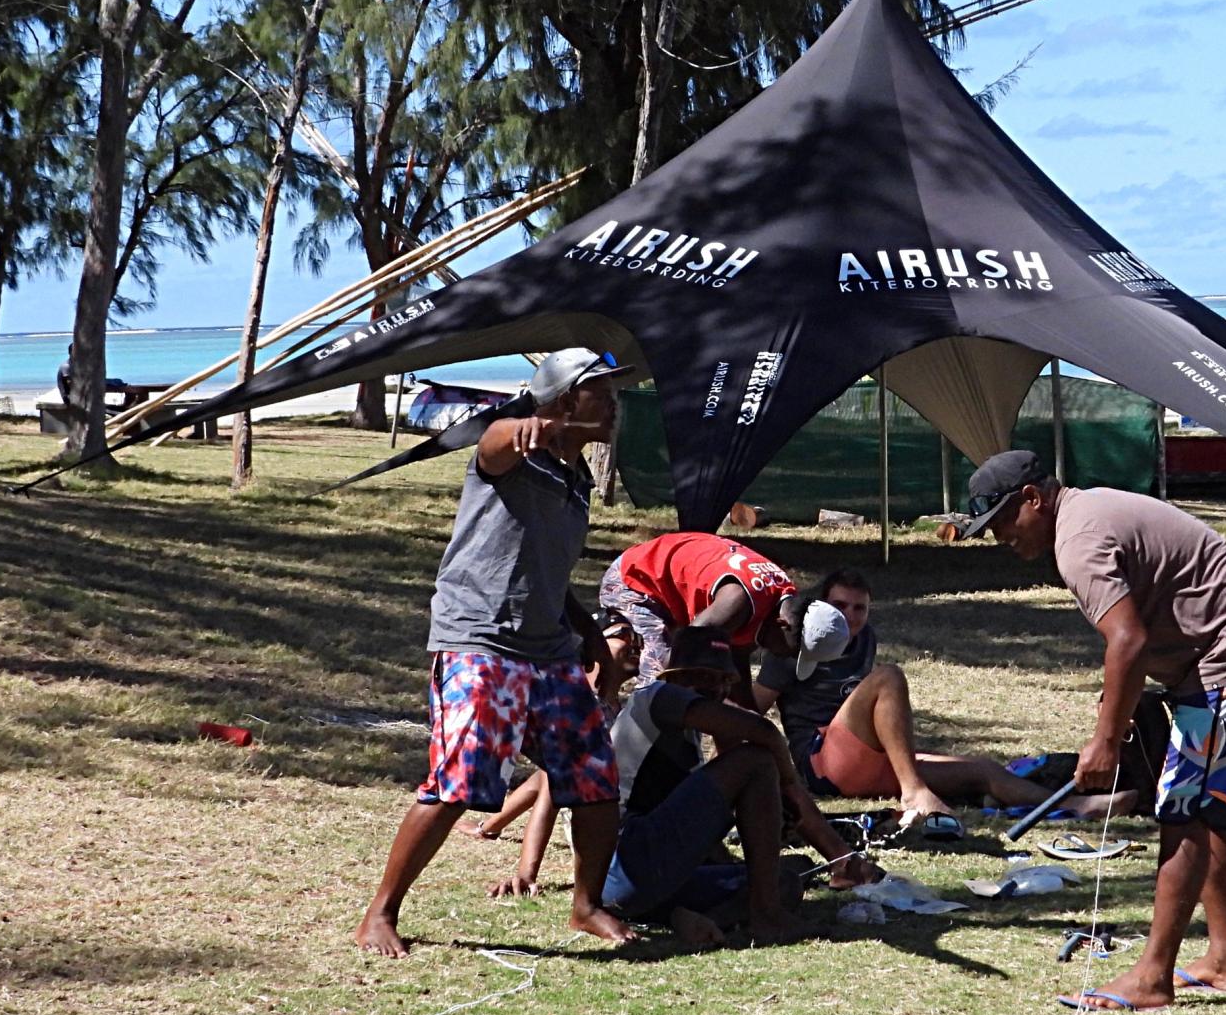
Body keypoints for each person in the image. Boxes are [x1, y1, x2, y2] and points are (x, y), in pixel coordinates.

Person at [970, 449, 1226, 1011]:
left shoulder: (1078, 541)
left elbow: (1127, 641)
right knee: (1207, 808)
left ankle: (1153, 978)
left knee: (1184, 809)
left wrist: (1106, 739)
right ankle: (1225, 961)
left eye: (1003, 520)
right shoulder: (1085, 516)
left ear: (1033, 499)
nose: (998, 536)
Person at [354, 348, 637, 958]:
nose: (615, 404)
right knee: (459, 782)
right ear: (565, 398)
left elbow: (548, 570)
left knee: (595, 780)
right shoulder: (514, 453)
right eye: (603, 393)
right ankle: (380, 912)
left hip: (550, 649)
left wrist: (588, 635)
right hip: (479, 640)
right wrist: (521, 428)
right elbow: (495, 443)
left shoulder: (576, 475)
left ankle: (585, 907)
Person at [492, 623, 879, 947]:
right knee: (755, 761)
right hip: (618, 864)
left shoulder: (690, 743)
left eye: (721, 682)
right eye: (702, 679)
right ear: (677, 677)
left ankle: (686, 918)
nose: (713, 691)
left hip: (644, 877)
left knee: (786, 878)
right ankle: (765, 918)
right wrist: (791, 785)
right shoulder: (655, 699)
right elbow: (763, 732)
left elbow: (691, 830)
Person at [753, 568, 1132, 831]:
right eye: (840, 607)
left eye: (860, 608)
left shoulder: (863, 638)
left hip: (865, 757)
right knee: (888, 677)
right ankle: (914, 793)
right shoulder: (796, 645)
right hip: (823, 764)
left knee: (983, 769)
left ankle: (1076, 806)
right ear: (822, 606)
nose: (850, 617)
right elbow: (752, 709)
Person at [598, 532, 826, 702]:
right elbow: (687, 646)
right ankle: (625, 740)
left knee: (699, 688)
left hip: (666, 590)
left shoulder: (781, 602)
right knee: (659, 676)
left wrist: (748, 726)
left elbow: (737, 672)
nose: (782, 655)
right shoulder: (739, 602)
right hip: (635, 579)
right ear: (783, 623)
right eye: (792, 650)